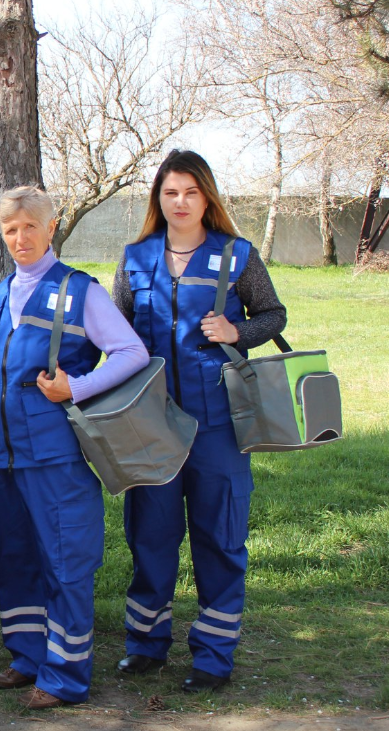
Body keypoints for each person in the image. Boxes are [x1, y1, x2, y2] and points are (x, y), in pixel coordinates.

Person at [112, 150, 286, 693]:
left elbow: (273, 315)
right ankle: (145, 645)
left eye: (190, 191)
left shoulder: (238, 255)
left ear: (206, 196)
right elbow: (116, 334)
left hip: (219, 426)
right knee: (151, 536)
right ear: (157, 200)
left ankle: (213, 656)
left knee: (220, 538)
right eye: (170, 192)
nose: (180, 202)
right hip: (151, 424)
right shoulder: (135, 258)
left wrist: (238, 333)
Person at [0, 186, 149, 708]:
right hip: (0, 455)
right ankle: (28, 656)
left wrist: (76, 386)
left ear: (52, 227)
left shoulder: (80, 291)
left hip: (54, 455)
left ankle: (65, 674)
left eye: (30, 226)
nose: (20, 238)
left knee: (64, 562)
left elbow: (131, 351)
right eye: (10, 230)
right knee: (13, 560)